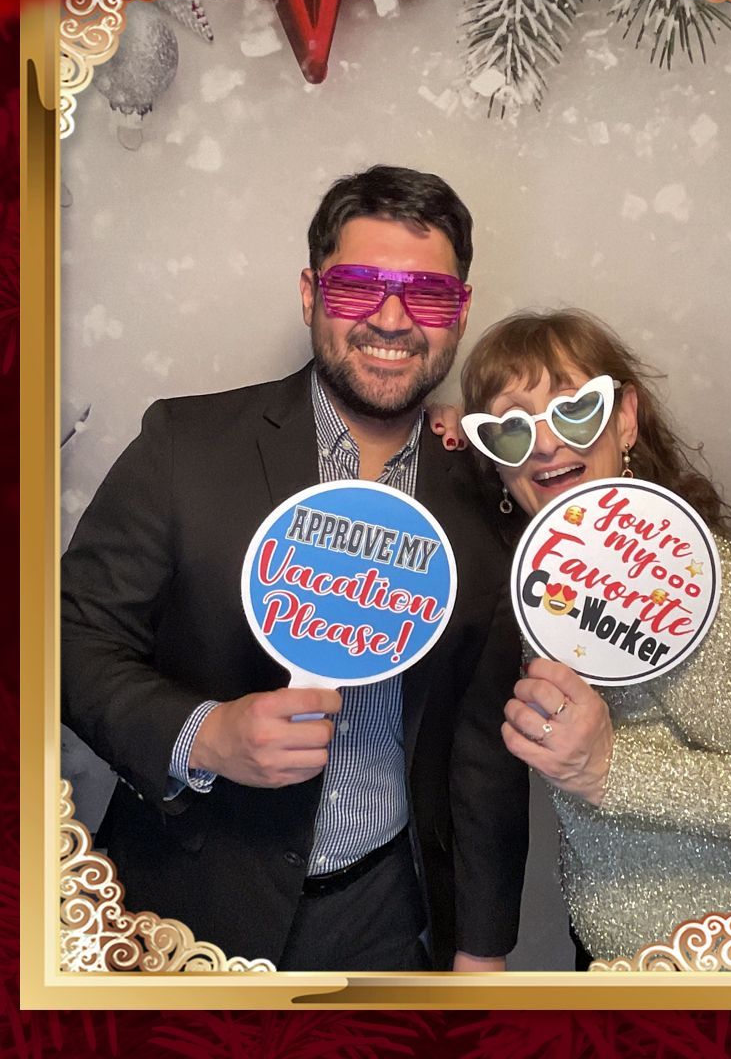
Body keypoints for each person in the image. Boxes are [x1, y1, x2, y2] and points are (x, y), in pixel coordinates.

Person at [60, 166, 527, 971]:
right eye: (357, 288)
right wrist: (202, 735)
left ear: (461, 314)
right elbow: (65, 639)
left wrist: (481, 950)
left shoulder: (485, 490)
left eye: (429, 296)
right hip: (181, 903)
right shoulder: (185, 446)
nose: (393, 319)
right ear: (311, 294)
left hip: (387, 916)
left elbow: (481, 747)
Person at [456, 310, 731, 965]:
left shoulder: (710, 590)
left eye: (575, 411)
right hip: (608, 949)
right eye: (511, 429)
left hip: (725, 964)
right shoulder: (547, 578)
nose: (546, 444)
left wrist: (610, 769)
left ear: (625, 420)